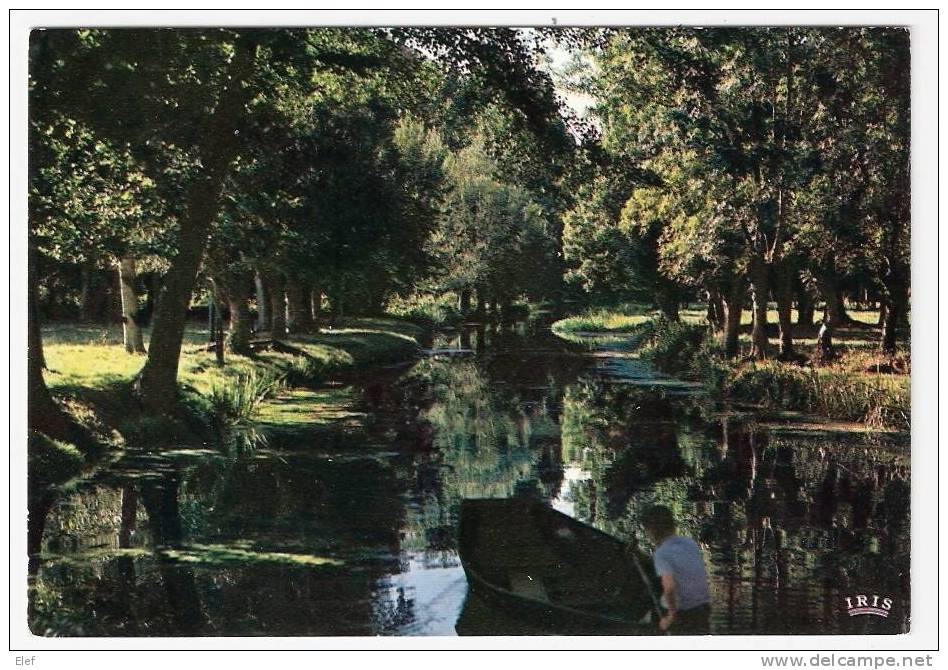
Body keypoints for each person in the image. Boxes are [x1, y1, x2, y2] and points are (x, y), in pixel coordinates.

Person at [641, 505, 711, 634]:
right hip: (704, 607)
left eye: (647, 531)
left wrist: (670, 617)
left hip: (683, 613)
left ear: (652, 530)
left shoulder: (662, 553)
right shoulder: (689, 543)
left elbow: (670, 588)